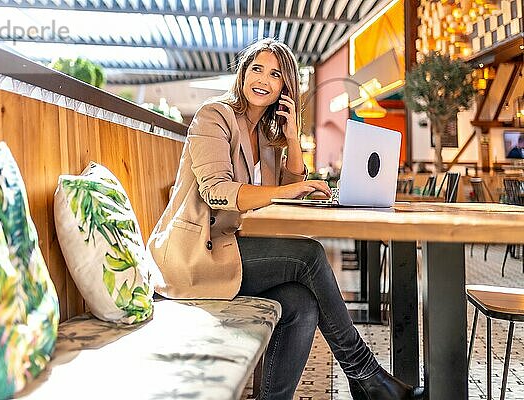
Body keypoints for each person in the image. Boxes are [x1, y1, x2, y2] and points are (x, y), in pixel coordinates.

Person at [147, 38, 424, 400]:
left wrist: (292, 136)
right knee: (308, 256)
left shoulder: (264, 134)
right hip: (192, 255)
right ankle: (366, 377)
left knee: (300, 302)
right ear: (243, 73)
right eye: (256, 68)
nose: (262, 78)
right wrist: (290, 190)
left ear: (285, 88)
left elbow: (287, 191)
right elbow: (217, 191)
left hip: (226, 247)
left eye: (275, 74)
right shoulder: (213, 116)